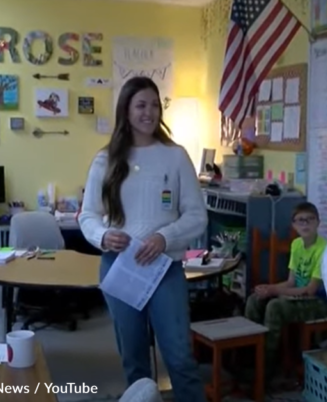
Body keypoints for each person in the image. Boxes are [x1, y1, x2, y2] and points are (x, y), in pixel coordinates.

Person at [78, 76, 207, 401]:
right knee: (134, 359)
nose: (148, 112)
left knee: (179, 355)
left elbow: (197, 216)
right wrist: (103, 236)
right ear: (126, 110)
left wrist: (165, 237)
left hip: (165, 268)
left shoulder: (175, 156)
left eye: (154, 105)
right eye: (140, 105)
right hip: (120, 268)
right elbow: (87, 215)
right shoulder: (105, 159)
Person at [245, 202, 327, 373]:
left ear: (318, 222)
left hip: (318, 301)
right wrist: (268, 288)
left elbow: (310, 289)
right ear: (293, 225)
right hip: (297, 295)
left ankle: (266, 368)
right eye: (300, 220)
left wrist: (275, 291)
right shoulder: (296, 244)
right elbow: (291, 282)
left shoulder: (324, 249)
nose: (305, 224)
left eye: (310, 220)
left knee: (275, 307)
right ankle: (251, 358)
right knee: (255, 299)